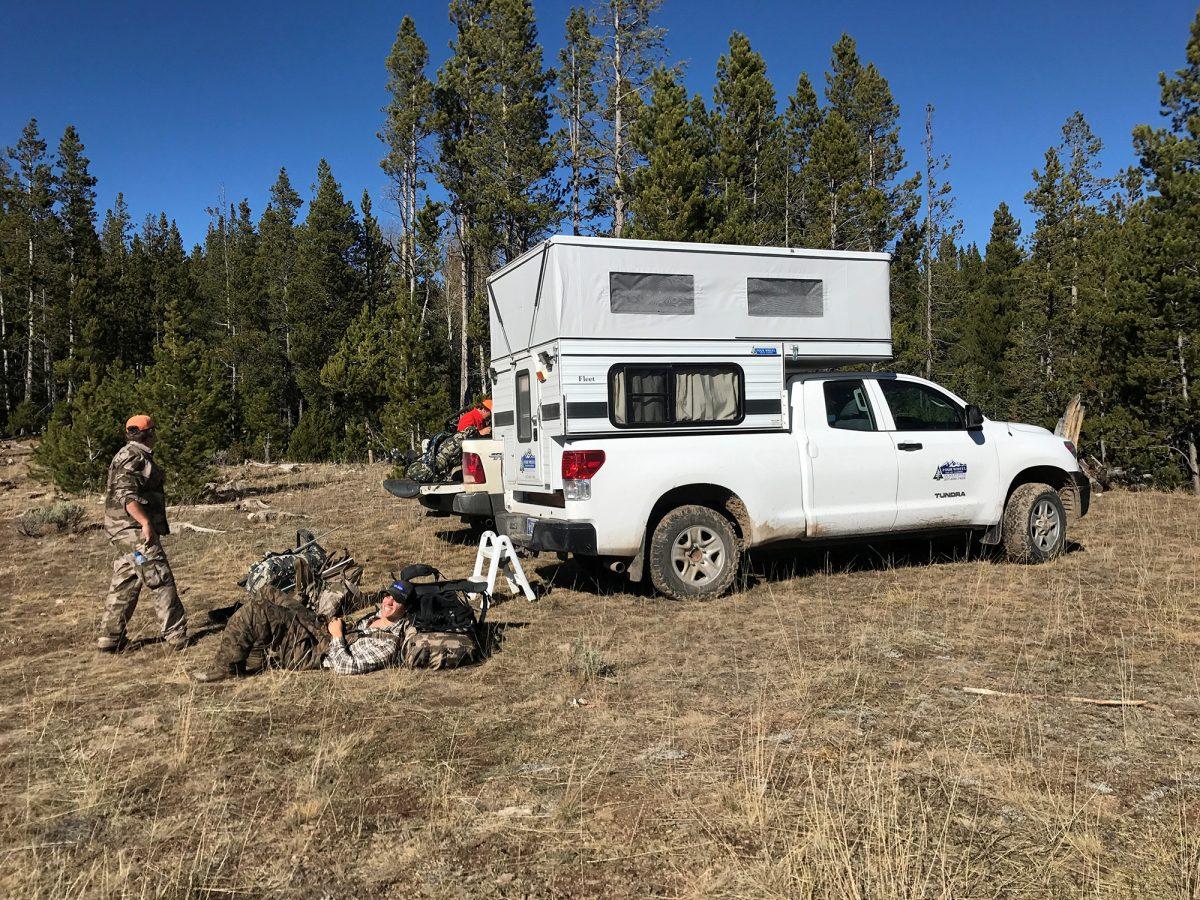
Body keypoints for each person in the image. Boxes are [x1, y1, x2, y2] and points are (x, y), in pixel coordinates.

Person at [189, 582, 474, 682]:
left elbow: (346, 666)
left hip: (316, 650)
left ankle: (225, 668)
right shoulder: (377, 615)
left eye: (396, 601)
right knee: (268, 593)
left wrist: (337, 636)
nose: (388, 602)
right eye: (388, 596)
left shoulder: (388, 643)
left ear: (406, 609)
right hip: (321, 628)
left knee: (257, 611)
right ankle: (255, 651)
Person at [98, 414, 188, 652]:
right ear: (149, 434)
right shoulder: (134, 457)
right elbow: (127, 495)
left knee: (126, 580)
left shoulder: (127, 454)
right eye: (154, 431)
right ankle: (176, 634)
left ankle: (110, 637)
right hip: (134, 533)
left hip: (123, 533)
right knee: (159, 577)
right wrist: (145, 523)